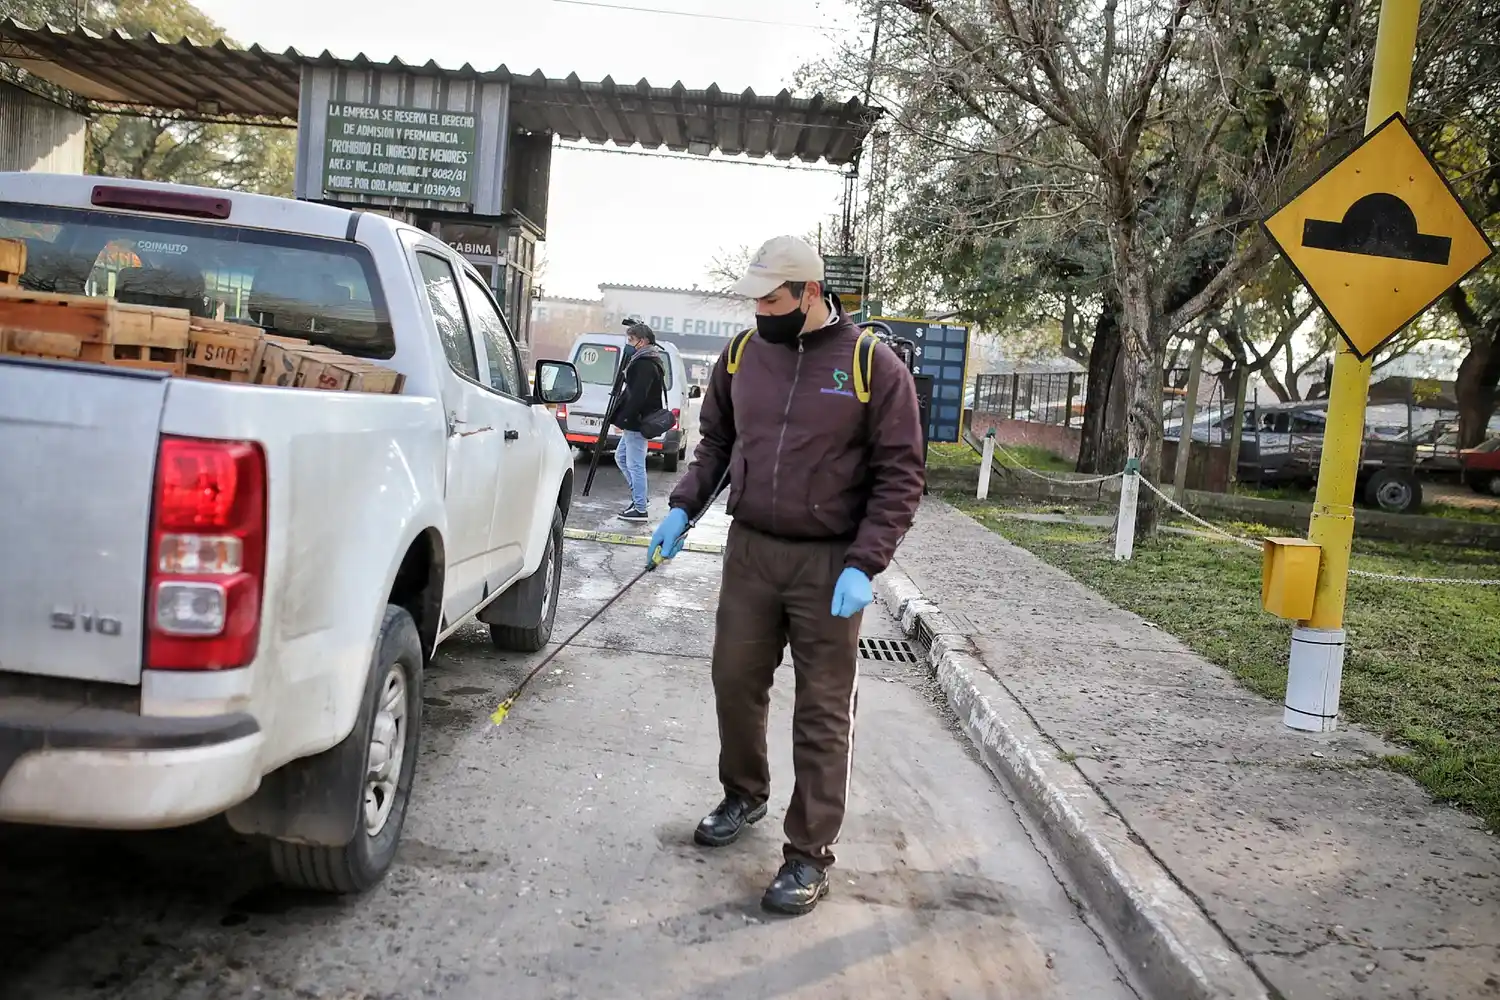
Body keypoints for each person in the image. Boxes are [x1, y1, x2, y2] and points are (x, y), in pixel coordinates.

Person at [647, 234, 926, 915]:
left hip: (829, 563)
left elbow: (901, 474)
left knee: (824, 711)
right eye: (753, 301)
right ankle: (744, 792)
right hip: (751, 550)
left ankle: (807, 855)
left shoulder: (872, 365)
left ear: (809, 294)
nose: (759, 313)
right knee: (734, 679)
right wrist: (682, 508)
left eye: (771, 300)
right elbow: (716, 443)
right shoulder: (742, 356)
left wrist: (866, 563)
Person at [611, 322, 667, 522]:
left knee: (635, 464)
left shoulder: (643, 363)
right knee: (621, 457)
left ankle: (640, 508)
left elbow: (637, 396)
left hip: (637, 421)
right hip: (638, 419)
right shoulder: (649, 359)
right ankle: (639, 498)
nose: (628, 344)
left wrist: (625, 418)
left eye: (631, 340)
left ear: (642, 342)